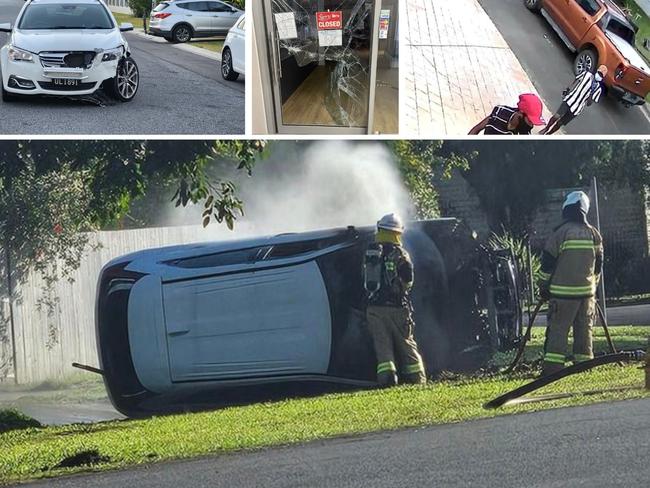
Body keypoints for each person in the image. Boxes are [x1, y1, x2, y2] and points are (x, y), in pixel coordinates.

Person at [537, 191, 604, 377]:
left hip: (562, 297)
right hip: (587, 296)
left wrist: (543, 286)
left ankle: (552, 371)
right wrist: (592, 288)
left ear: (567, 209)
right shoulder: (594, 234)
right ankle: (584, 368)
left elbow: (547, 264)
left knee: (558, 332)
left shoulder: (560, 233)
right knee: (584, 333)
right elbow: (598, 266)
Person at [363, 213, 426, 386]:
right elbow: (408, 281)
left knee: (382, 347)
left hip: (374, 309)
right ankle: (417, 380)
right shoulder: (400, 254)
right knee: (406, 344)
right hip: (397, 308)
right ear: (397, 232)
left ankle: (387, 380)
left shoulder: (371, 253)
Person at [540, 65, 607, 135]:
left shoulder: (598, 89)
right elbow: (577, 79)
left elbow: (589, 104)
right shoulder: (586, 74)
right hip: (570, 99)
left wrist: (591, 93)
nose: (599, 76)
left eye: (601, 75)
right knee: (556, 116)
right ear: (597, 71)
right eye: (599, 73)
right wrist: (568, 88)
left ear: (602, 78)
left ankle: (548, 134)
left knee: (560, 123)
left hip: (577, 109)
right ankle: (546, 128)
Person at [468, 93, 546, 135]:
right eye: (530, 121)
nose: (531, 126)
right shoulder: (500, 112)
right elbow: (476, 129)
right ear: (520, 114)